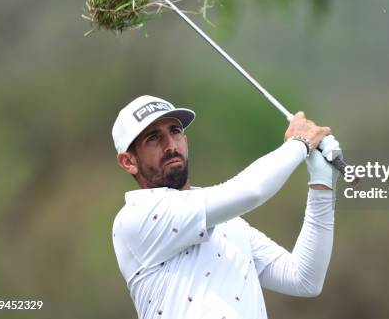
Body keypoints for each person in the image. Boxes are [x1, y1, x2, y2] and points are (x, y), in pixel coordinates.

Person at [111, 95, 341, 319]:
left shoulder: (227, 221)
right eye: (153, 138)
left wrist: (322, 184)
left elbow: (304, 279)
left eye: (175, 131)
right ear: (128, 161)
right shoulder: (135, 217)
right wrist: (300, 143)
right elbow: (251, 191)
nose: (170, 145)